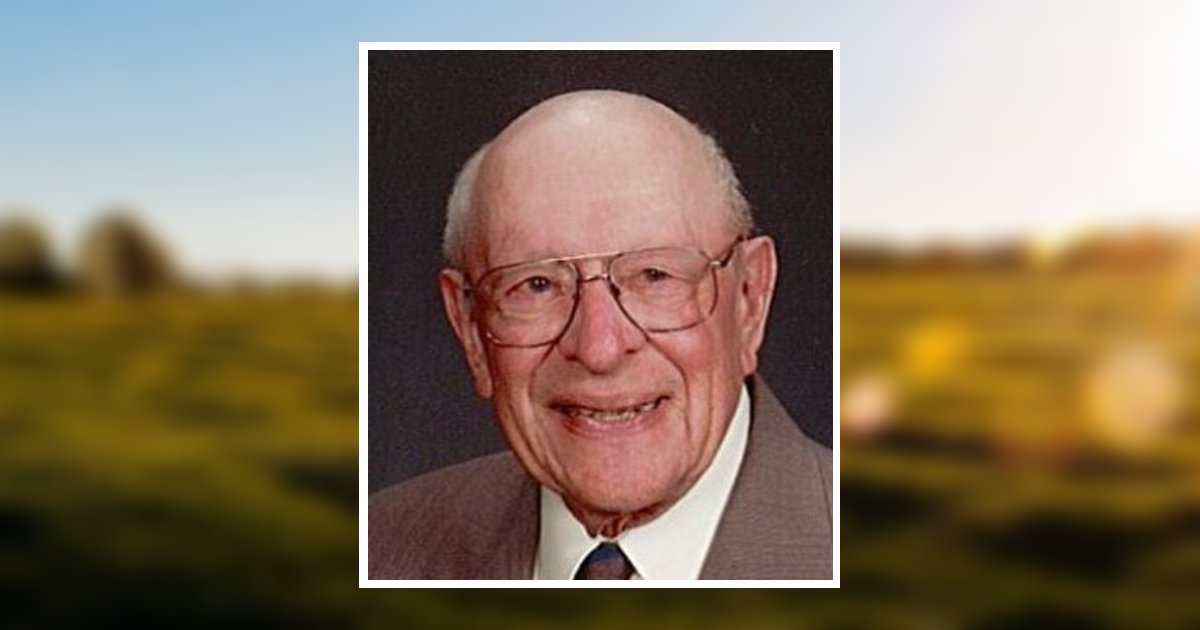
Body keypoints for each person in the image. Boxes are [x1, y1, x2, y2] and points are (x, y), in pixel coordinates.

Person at [369, 89, 831, 580]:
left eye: (654, 276)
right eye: (537, 285)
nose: (599, 348)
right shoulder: (377, 547)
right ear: (469, 329)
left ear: (749, 299)